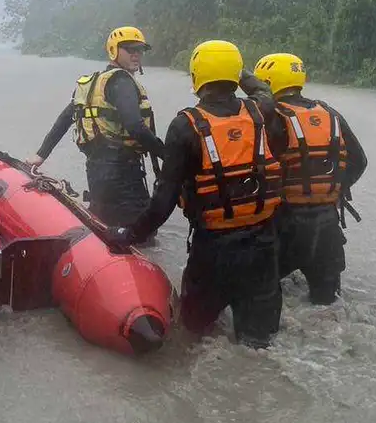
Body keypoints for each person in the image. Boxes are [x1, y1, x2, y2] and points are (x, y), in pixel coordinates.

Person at [102, 40, 285, 349]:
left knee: (194, 337)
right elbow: (264, 89)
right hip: (263, 251)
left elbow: (163, 202)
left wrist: (129, 233)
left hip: (212, 252)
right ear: (234, 73)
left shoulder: (184, 126)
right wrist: (239, 71)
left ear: (197, 75)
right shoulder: (259, 110)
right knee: (258, 345)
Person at [239, 53, 368, 305]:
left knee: (262, 298)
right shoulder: (329, 113)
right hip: (328, 227)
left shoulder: (271, 118)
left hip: (284, 224)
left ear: (267, 81)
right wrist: (328, 192)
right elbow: (359, 161)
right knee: (328, 307)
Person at [27, 26, 164, 243]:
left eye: (140, 49)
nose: (136, 54)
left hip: (97, 172)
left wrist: (40, 155)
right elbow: (136, 126)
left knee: (105, 227)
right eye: (129, 49)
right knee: (143, 238)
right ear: (113, 50)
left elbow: (65, 119)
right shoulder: (122, 82)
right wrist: (170, 156)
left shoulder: (91, 83)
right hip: (124, 176)